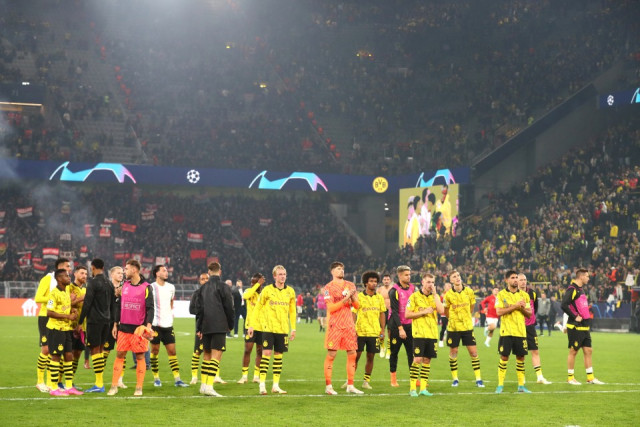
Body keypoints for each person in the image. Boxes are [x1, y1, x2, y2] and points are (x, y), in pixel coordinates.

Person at [107, 259, 155, 397]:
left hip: (138, 329)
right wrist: (115, 324)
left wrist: (148, 327)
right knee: (120, 355)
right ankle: (114, 386)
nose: (124, 271)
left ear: (134, 270)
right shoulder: (124, 285)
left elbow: (150, 308)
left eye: (126, 269)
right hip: (123, 328)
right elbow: (118, 305)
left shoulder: (147, 287)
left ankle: (139, 388)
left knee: (140, 357)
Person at [250, 265, 296, 395]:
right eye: (280, 274)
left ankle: (275, 385)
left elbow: (292, 311)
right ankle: (262, 385)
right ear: (274, 276)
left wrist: (293, 328)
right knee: (266, 354)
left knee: (278, 356)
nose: (283, 276)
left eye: (284, 274)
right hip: (268, 328)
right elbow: (257, 308)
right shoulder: (267, 290)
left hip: (283, 329)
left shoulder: (290, 291)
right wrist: (252, 325)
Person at [194, 262, 235, 397]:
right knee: (216, 356)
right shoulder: (224, 287)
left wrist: (199, 328)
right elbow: (229, 307)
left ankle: (203, 385)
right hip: (219, 325)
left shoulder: (203, 288)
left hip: (205, 325)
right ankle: (210, 387)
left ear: (209, 272)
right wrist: (230, 324)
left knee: (206, 356)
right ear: (220, 271)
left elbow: (199, 310)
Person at [562, 268, 605, 385]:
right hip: (575, 326)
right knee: (573, 351)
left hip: (584, 326)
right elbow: (564, 305)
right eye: (587, 276)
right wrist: (574, 316)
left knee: (588, 350)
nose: (588, 278)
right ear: (581, 277)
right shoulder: (572, 289)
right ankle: (570, 378)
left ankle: (590, 378)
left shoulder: (580, 289)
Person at [323, 262, 361, 395]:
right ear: (332, 272)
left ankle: (350, 385)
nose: (341, 271)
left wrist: (353, 296)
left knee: (352, 353)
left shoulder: (350, 285)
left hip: (349, 324)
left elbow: (357, 306)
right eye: (338, 269)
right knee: (332, 354)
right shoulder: (328, 288)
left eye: (342, 269)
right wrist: (346, 298)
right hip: (335, 325)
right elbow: (331, 308)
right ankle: (328, 386)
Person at [34, 257, 71, 392]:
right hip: (46, 316)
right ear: (60, 267)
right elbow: (38, 297)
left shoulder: (65, 283)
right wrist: (53, 298)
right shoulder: (48, 279)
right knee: (46, 350)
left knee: (54, 351)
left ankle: (51, 382)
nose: (69, 269)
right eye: (67, 266)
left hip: (59, 319)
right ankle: (40, 381)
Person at [405, 273, 444, 397]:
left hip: (432, 334)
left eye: (432, 282)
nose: (430, 285)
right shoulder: (414, 296)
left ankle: (423, 389)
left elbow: (441, 311)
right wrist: (424, 312)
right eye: (428, 282)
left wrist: (435, 295)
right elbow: (407, 314)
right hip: (419, 333)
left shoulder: (435, 297)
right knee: (417, 359)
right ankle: (412, 389)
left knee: (427, 360)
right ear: (422, 282)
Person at [150, 265, 189, 387]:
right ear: (157, 273)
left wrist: (168, 315)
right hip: (155, 325)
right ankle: (156, 378)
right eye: (163, 270)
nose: (166, 272)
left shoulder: (171, 287)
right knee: (155, 351)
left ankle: (177, 379)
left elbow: (171, 302)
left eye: (167, 270)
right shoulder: (151, 287)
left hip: (168, 325)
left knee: (172, 351)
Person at [78, 258, 113, 393]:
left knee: (94, 350)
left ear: (92, 268)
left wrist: (80, 322)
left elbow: (87, 303)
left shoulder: (92, 282)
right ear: (103, 268)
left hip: (94, 321)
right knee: (100, 350)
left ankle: (99, 384)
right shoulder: (109, 283)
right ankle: (99, 383)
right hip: (107, 321)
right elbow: (112, 304)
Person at [443, 270, 483, 387]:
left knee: (473, 353)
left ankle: (478, 379)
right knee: (453, 352)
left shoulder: (469, 292)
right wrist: (454, 320)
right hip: (453, 328)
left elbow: (472, 307)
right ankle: (455, 379)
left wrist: (465, 318)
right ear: (451, 280)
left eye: (458, 276)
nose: (457, 278)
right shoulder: (448, 295)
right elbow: (446, 311)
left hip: (467, 327)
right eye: (454, 277)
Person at [46, 268, 83, 396]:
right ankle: (53, 388)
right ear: (59, 279)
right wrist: (68, 316)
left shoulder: (66, 291)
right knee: (56, 356)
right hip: (56, 329)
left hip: (66, 329)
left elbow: (64, 307)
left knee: (68, 356)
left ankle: (69, 387)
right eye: (66, 276)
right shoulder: (53, 293)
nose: (69, 278)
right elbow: (49, 312)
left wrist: (72, 310)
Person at [495, 270, 532, 394]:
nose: (516, 280)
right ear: (507, 280)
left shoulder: (524, 295)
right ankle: (500, 385)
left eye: (516, 277)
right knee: (504, 357)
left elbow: (529, 314)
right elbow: (499, 312)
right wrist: (515, 306)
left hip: (520, 332)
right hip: (506, 331)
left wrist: (521, 308)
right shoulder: (501, 295)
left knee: (521, 358)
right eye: (513, 277)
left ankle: (521, 386)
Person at [352, 271, 386, 390]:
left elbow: (382, 313)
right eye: (371, 281)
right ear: (366, 283)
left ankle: (366, 381)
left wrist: (382, 329)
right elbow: (354, 313)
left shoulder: (379, 297)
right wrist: (353, 328)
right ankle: (350, 381)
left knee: (371, 357)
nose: (374, 283)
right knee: (355, 357)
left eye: (375, 281)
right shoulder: (359, 297)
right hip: (360, 331)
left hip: (375, 332)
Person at [518, 274, 551, 384]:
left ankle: (540, 377)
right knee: (520, 354)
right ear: (517, 281)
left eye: (525, 280)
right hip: (518, 327)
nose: (523, 282)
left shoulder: (532, 293)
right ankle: (521, 378)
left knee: (535, 351)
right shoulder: (514, 294)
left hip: (530, 326)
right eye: (521, 280)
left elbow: (535, 307)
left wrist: (531, 319)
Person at [387, 265, 415, 387]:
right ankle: (393, 379)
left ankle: (414, 379)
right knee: (394, 353)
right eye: (406, 275)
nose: (409, 277)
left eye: (409, 275)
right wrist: (400, 329)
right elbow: (394, 312)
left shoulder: (413, 288)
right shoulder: (394, 291)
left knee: (412, 353)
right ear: (399, 275)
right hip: (396, 327)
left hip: (410, 326)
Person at [237, 273, 265, 384]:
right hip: (250, 326)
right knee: (247, 350)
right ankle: (244, 376)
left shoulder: (264, 294)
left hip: (262, 327)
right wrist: (257, 284)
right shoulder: (248, 291)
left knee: (260, 351)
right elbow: (245, 297)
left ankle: (256, 376)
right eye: (252, 282)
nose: (252, 284)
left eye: (255, 282)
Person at [67, 265, 87, 387]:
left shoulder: (85, 290)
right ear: (75, 274)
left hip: (82, 327)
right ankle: (60, 382)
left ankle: (71, 381)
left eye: (86, 274)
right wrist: (80, 299)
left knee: (77, 355)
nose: (84, 276)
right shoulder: (69, 287)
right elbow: (65, 304)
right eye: (82, 273)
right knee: (67, 355)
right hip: (70, 326)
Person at [188, 272, 209, 384]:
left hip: (213, 327)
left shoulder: (215, 293)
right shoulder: (196, 294)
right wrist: (202, 310)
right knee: (197, 352)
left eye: (207, 279)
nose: (205, 281)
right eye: (202, 279)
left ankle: (214, 376)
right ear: (199, 281)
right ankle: (194, 376)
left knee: (212, 352)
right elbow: (191, 310)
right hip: (201, 327)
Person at [376, 273, 393, 358]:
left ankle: (389, 349)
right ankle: (382, 346)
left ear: (390, 280)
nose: (386, 281)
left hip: (391, 312)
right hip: (382, 312)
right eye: (385, 279)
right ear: (382, 281)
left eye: (388, 279)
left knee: (390, 330)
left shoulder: (393, 289)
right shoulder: (379, 290)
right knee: (381, 330)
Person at [438, 282, 451, 347]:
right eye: (447, 286)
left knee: (451, 328)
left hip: (451, 314)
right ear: (444, 287)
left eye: (449, 286)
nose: (448, 287)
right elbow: (439, 304)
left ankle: (450, 341)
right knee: (443, 327)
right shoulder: (442, 295)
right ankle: (441, 341)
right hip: (444, 314)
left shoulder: (453, 295)